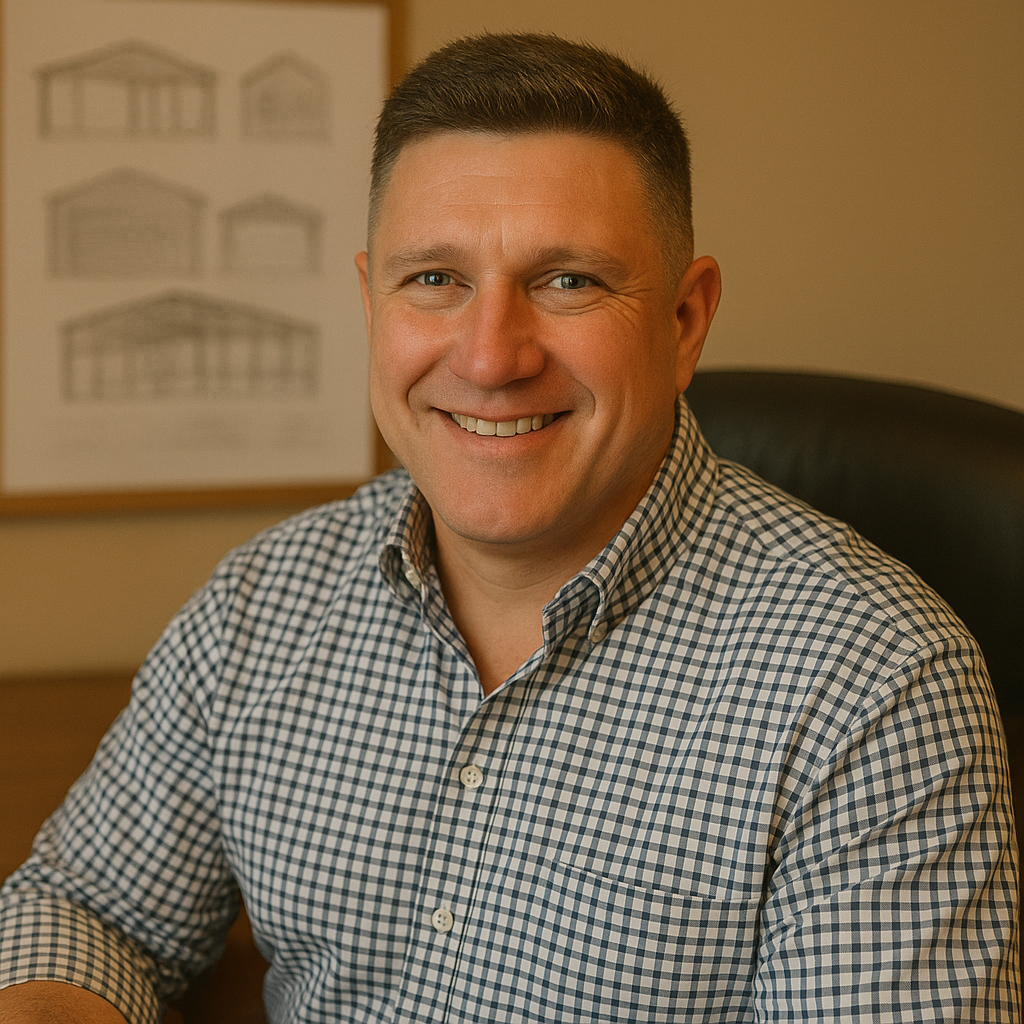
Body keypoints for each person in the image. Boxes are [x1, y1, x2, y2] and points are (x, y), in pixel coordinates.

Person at [0, 32, 1017, 1023]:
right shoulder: (265, 603)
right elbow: (88, 907)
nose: (489, 358)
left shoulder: (875, 684)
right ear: (371, 301)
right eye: (433, 279)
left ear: (683, 321)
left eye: (566, 280)